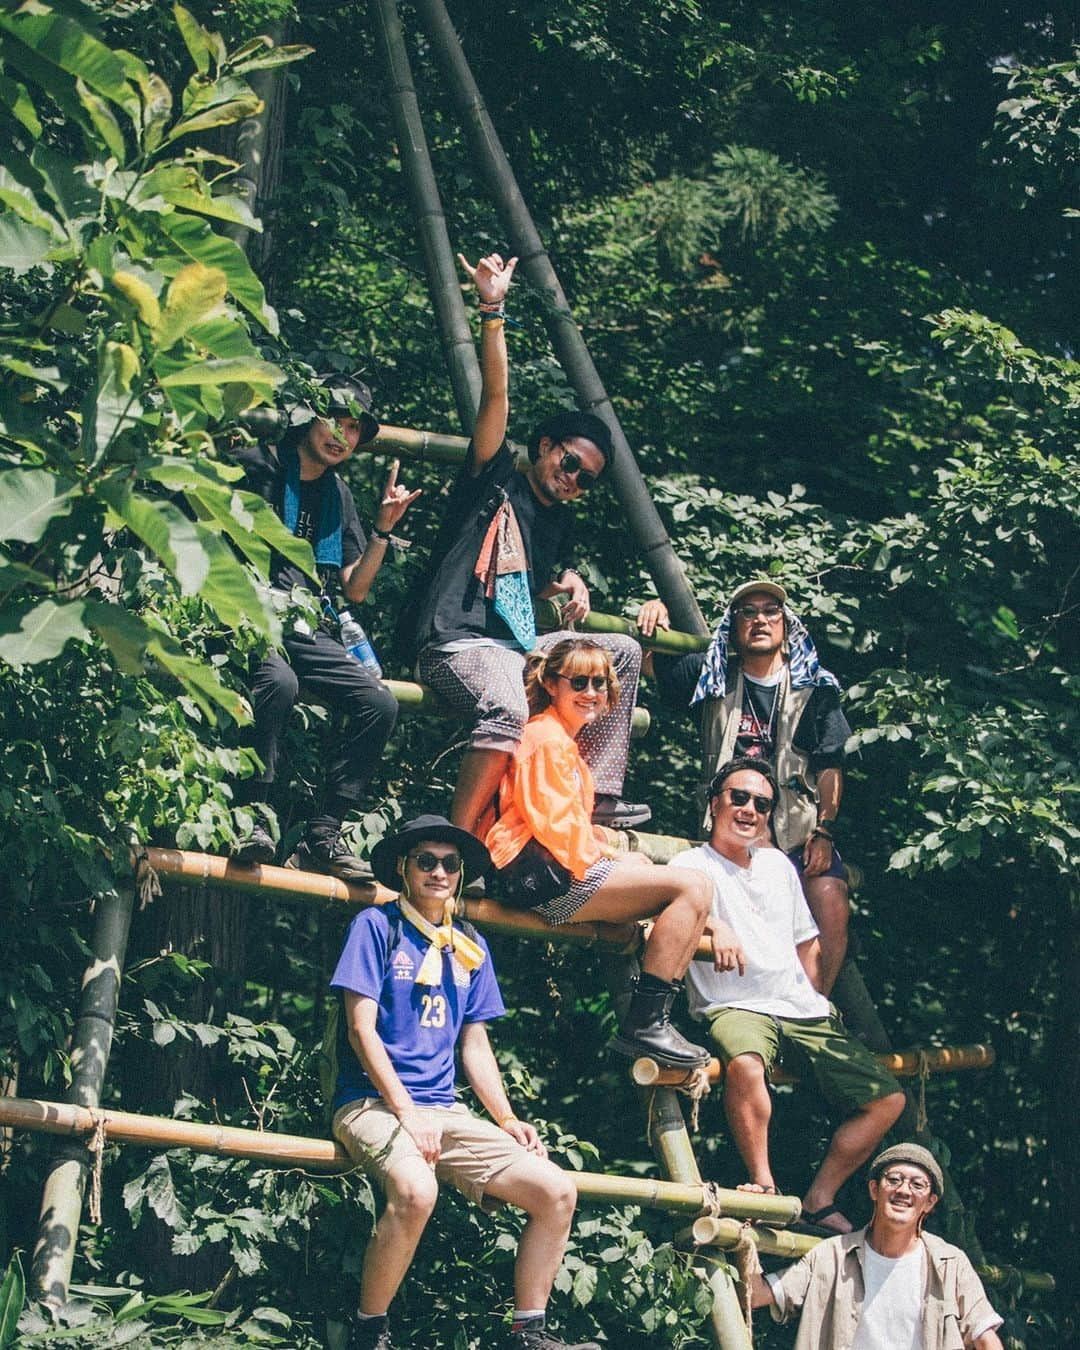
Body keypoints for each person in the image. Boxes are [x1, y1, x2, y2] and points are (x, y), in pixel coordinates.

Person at [330, 814, 600, 1350]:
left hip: (443, 1110)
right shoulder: (376, 927)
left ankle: (528, 1333)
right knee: (415, 1189)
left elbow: (474, 1045)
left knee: (557, 1191)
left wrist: (506, 1118)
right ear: (404, 869)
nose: (438, 871)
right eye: (426, 861)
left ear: (459, 875)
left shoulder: (469, 944)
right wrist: (405, 1111)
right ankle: (368, 1332)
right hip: (370, 1103)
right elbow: (361, 1030)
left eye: (450, 864)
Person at [404, 251, 648, 838]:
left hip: (517, 649)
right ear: (544, 447)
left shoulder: (556, 522)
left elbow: (523, 578)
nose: (573, 479)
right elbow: (495, 400)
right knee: (510, 705)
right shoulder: (491, 479)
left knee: (622, 653)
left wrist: (566, 581)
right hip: (456, 644)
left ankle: (597, 795)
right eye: (569, 462)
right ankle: (459, 841)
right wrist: (493, 307)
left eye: (586, 479)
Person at [670, 758, 906, 1230]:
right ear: (714, 802)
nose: (749, 810)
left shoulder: (778, 864)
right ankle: (764, 1184)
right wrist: (713, 924)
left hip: (800, 1007)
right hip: (735, 1003)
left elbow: (807, 942)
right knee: (745, 1064)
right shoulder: (690, 865)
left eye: (761, 803)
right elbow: (660, 919)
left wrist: (815, 997)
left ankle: (821, 1195)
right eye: (738, 797)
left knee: (889, 1099)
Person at [484, 637, 719, 1069]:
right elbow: (556, 831)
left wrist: (616, 855)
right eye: (579, 681)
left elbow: (567, 824)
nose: (591, 692)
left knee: (650, 868)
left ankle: (652, 1017)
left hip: (552, 868)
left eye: (600, 682)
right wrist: (609, 854)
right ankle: (646, 1024)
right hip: (543, 875)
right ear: (552, 684)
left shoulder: (563, 742)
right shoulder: (546, 738)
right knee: (694, 886)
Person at [228, 375, 420, 882]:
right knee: (280, 682)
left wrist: (383, 527)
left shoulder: (338, 494)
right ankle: (252, 817)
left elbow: (354, 588)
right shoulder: (255, 465)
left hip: (309, 624)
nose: (342, 434)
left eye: (354, 428)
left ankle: (323, 834)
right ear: (308, 414)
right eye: (334, 418)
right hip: (247, 613)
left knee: (379, 702)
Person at [640, 578, 853, 993]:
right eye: (748, 612)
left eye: (771, 611)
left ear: (786, 625)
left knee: (831, 898)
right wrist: (655, 614)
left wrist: (824, 831)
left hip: (797, 828)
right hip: (732, 825)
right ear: (734, 625)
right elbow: (649, 662)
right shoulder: (714, 673)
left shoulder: (813, 687)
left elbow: (831, 765)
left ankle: (813, 1006)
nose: (760, 620)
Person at [749, 1143, 1005, 1349]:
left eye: (917, 1185)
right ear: (874, 1189)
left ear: (929, 1203)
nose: (904, 1190)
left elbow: (985, 1337)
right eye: (893, 1180)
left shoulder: (950, 1263)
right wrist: (745, 1226)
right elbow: (756, 1295)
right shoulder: (831, 1256)